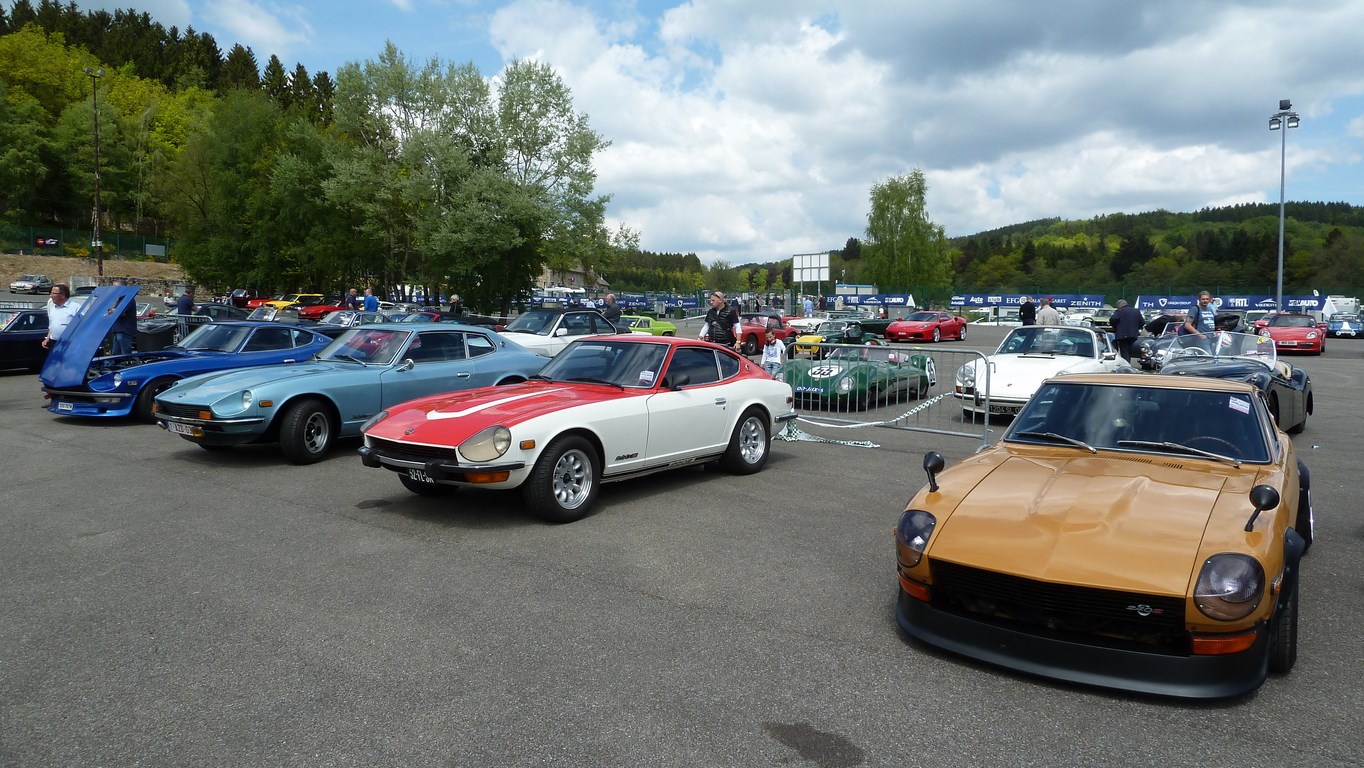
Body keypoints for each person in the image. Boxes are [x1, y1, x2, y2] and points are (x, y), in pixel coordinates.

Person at [41, 283, 79, 350]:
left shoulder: (75, 307)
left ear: (62, 295)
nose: (51, 296)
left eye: (53, 293)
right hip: (54, 342)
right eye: (51, 293)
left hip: (69, 343)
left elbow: (83, 326)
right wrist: (47, 338)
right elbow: (52, 326)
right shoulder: (53, 308)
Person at [110, 279, 136, 356]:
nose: (114, 289)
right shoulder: (119, 300)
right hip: (117, 329)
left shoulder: (128, 299)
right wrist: (113, 310)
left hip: (124, 330)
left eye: (116, 287)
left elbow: (121, 313)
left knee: (125, 354)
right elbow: (112, 311)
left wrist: (113, 310)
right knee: (115, 354)